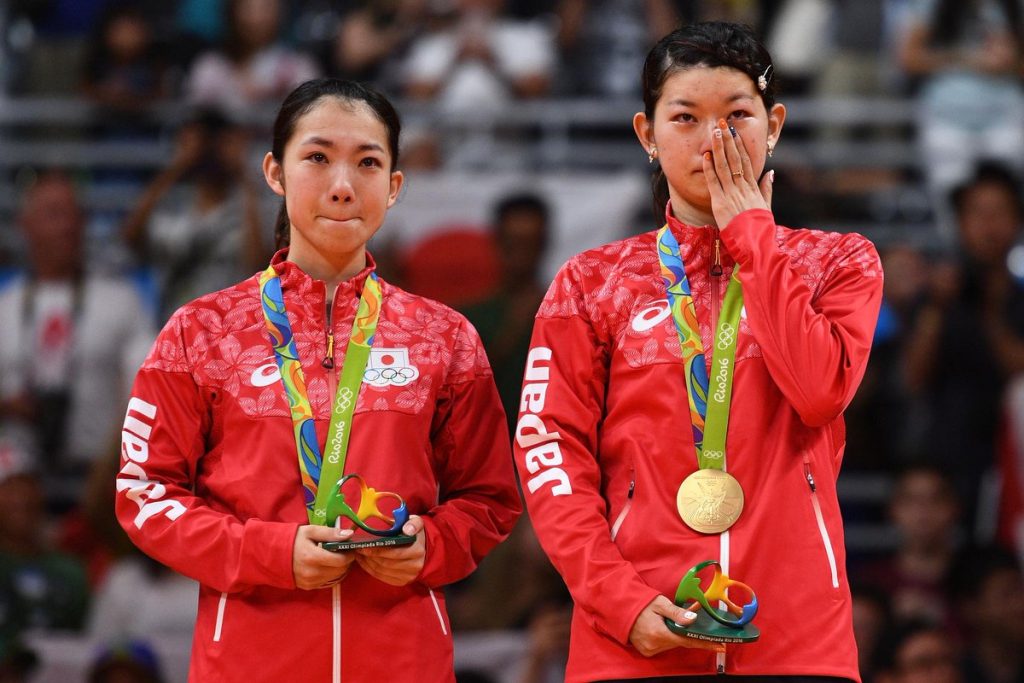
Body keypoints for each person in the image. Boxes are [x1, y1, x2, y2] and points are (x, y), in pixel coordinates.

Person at [114, 78, 522, 681]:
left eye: (368, 163)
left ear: (394, 186)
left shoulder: (446, 337)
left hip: (401, 659)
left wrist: (430, 546)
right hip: (249, 661)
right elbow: (144, 492)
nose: (341, 185)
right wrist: (269, 552)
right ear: (275, 173)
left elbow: (490, 499)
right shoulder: (200, 332)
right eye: (317, 157)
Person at [513, 21, 882, 681]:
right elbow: (549, 454)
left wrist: (752, 238)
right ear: (647, 135)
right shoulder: (589, 284)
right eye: (685, 117)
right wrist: (619, 602)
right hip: (634, 638)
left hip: (795, 641)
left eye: (737, 115)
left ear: (773, 125)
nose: (715, 138)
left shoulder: (838, 262)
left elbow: (819, 390)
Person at [0, 170, 155, 483]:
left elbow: (145, 393)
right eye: (54, 215)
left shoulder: (121, 298)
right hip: (16, 485)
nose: (68, 227)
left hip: (100, 481)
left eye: (75, 215)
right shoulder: (6, 306)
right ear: (25, 225)